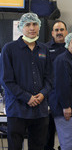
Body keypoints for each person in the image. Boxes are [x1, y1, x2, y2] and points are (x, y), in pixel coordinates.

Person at [0, 13, 52, 150]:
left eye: (35, 24)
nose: (32, 28)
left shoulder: (44, 49)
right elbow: (6, 80)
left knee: (38, 146)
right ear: (21, 27)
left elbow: (50, 78)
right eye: (28, 24)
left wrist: (42, 94)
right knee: (15, 146)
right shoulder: (9, 49)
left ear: (39, 27)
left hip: (40, 110)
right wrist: (27, 97)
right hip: (17, 109)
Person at [45, 20, 69, 150]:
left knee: (66, 133)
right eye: (57, 30)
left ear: (66, 32)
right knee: (48, 131)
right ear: (52, 33)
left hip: (67, 95)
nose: (59, 32)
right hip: (50, 95)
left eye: (62, 30)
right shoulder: (45, 48)